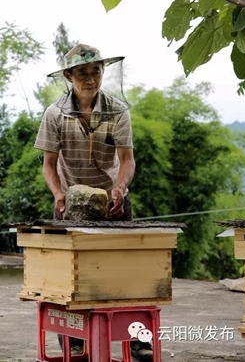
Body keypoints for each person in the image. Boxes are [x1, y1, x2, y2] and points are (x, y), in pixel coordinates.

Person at [34, 44, 152, 362]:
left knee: (125, 271)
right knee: (69, 276)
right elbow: (48, 164)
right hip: (70, 201)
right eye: (83, 73)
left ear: (103, 72)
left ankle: (137, 341)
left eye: (96, 71)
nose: (90, 79)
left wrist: (120, 188)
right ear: (69, 76)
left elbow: (127, 160)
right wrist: (58, 194)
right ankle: (73, 342)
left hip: (112, 201)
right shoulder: (55, 113)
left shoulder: (117, 111)